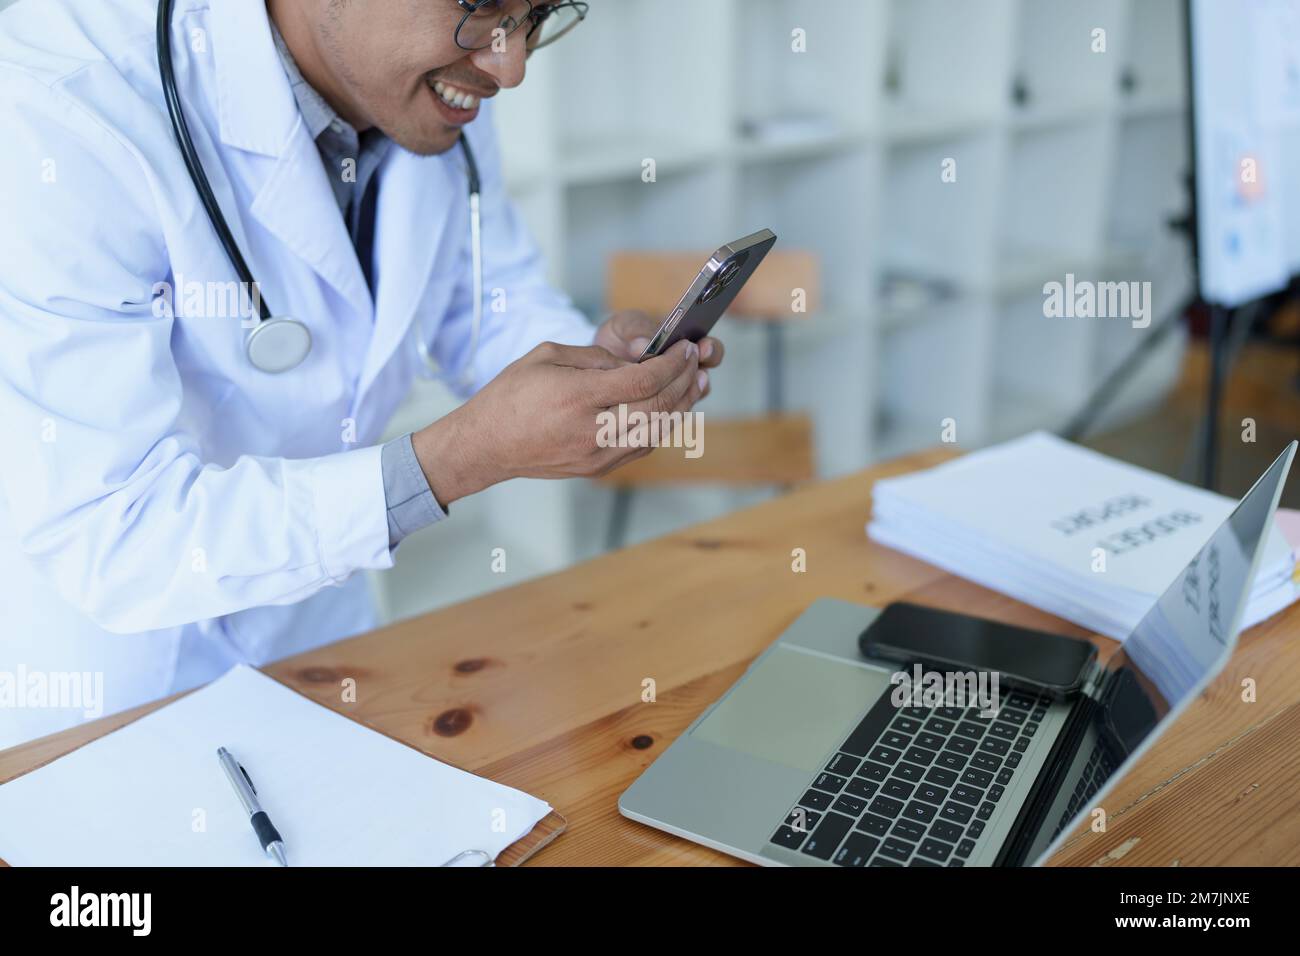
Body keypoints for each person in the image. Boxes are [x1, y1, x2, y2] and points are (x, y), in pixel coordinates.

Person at [0, 0, 723, 749]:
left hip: (320, 637)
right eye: (480, 5)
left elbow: (483, 298)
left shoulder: (437, 84)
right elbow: (115, 532)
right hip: (116, 689)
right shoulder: (58, 114)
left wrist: (599, 369)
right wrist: (448, 463)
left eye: (538, 14)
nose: (512, 65)